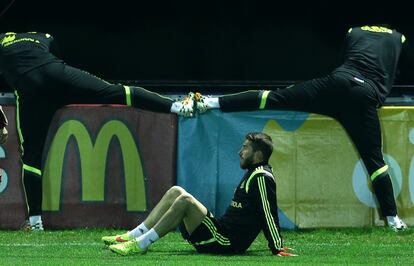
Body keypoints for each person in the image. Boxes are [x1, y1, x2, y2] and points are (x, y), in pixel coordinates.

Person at [190, 25, 414, 231]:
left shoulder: (353, 31)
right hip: (363, 96)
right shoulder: (398, 37)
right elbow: (400, 71)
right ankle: (393, 219)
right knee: (375, 162)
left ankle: (211, 102)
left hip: (335, 83)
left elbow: (343, 60)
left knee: (273, 97)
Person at [0, 31, 194, 231]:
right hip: (56, 74)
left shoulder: (3, 42)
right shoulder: (43, 35)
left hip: (29, 87)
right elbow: (58, 56)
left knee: (31, 155)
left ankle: (35, 222)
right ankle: (176, 106)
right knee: (113, 91)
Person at [102, 132, 296, 256]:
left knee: (185, 200)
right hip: (220, 232)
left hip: (226, 242)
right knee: (176, 191)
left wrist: (276, 247)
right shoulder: (253, 174)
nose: (240, 152)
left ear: (259, 155)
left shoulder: (261, 176)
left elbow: (268, 214)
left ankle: (141, 244)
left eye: (245, 148)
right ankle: (132, 236)